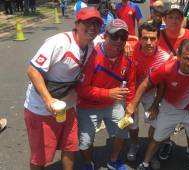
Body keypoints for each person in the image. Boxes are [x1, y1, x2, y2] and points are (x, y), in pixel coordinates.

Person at [126, 39, 189, 170]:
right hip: (170, 108)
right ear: (178, 55)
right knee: (157, 138)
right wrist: (133, 104)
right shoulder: (167, 68)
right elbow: (145, 83)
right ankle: (144, 164)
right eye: (186, 58)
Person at [23, 7, 102, 170]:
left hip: (68, 106)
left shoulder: (91, 45)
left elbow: (113, 38)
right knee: (40, 156)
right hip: (41, 108)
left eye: (96, 23)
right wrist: (48, 99)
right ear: (77, 24)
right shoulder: (59, 42)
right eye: (88, 23)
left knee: (70, 147)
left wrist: (129, 41)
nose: (93, 27)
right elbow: (32, 70)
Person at [76, 19, 135, 170]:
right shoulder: (92, 56)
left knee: (122, 132)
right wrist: (108, 93)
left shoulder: (128, 57)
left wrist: (130, 105)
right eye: (115, 36)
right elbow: (82, 89)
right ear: (105, 35)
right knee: (85, 141)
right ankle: (88, 163)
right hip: (88, 105)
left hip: (112, 104)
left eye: (123, 37)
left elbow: (131, 84)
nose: (119, 40)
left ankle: (113, 161)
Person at [158, 5, 189, 168]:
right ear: (165, 19)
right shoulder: (159, 35)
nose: (175, 20)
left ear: (183, 19)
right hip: (166, 86)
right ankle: (167, 143)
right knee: (166, 118)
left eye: (178, 17)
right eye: (171, 17)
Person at [126, 22, 171, 169]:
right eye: (145, 38)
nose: (149, 42)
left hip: (151, 92)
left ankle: (151, 154)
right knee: (131, 121)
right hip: (131, 90)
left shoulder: (164, 57)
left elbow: (163, 85)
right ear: (139, 38)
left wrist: (156, 104)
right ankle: (134, 145)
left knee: (155, 122)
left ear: (158, 39)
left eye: (152, 38)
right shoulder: (130, 49)